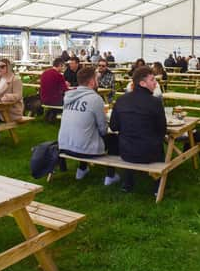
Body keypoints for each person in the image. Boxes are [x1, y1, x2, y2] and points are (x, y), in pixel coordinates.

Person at [110, 66, 166, 194]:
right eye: (152, 80)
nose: (156, 82)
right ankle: (157, 187)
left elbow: (113, 127)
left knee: (131, 140)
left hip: (125, 152)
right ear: (142, 83)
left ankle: (127, 184)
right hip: (149, 154)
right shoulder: (155, 102)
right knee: (158, 145)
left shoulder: (121, 99)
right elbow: (162, 130)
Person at [58, 67, 119, 185]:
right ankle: (110, 176)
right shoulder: (95, 99)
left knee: (85, 133)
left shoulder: (69, 96)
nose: (98, 82)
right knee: (113, 139)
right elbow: (103, 129)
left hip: (65, 145)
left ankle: (82, 170)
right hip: (83, 149)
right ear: (92, 82)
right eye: (97, 79)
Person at [40, 58, 69, 122]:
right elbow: (65, 90)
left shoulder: (44, 73)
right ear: (60, 65)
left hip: (43, 99)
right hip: (54, 101)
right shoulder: (59, 75)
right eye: (63, 66)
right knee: (70, 101)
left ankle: (51, 114)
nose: (64, 68)